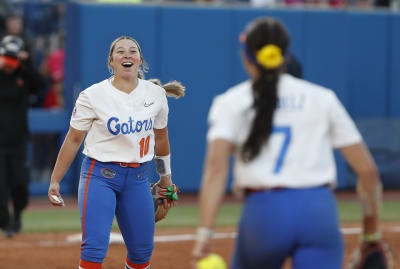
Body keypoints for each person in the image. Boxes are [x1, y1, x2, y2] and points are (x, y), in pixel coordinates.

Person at [192, 17, 382, 269]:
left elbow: (215, 171)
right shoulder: (322, 98)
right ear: (286, 56)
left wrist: (205, 232)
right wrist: (370, 234)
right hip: (319, 213)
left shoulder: (230, 102)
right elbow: (368, 172)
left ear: (247, 57)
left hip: (265, 215)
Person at [48, 35, 182, 269]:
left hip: (138, 178)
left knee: (142, 253)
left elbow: (161, 138)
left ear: (140, 60)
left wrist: (166, 179)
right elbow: (73, 140)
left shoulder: (155, 94)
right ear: (111, 60)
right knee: (94, 248)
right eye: (120, 51)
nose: (127, 55)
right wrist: (55, 180)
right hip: (99, 176)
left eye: (133, 51)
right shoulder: (93, 95)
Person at [0, 35, 46, 238]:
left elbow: (41, 85)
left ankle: (17, 216)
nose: (8, 64)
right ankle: (6, 223)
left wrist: (27, 63)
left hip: (18, 142)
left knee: (19, 183)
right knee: (0, 188)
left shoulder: (24, 75)